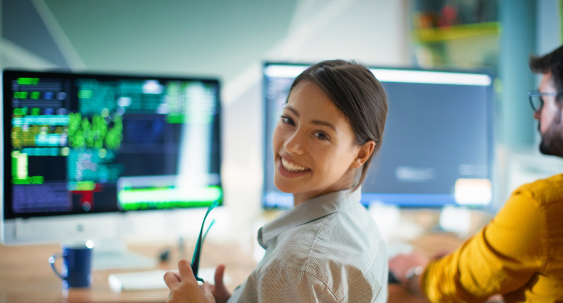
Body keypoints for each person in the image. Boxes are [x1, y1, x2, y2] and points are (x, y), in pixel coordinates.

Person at [164, 60, 389, 303]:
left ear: (361, 153)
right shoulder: (361, 223)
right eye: (289, 120)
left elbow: (299, 275)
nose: (291, 145)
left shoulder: (296, 267)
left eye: (320, 134)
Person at [389, 46, 563, 302]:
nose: (536, 112)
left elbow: (450, 286)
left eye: (543, 100)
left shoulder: (542, 207)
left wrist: (413, 269)